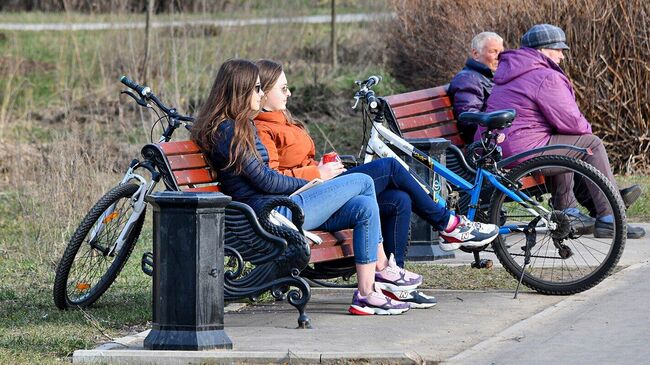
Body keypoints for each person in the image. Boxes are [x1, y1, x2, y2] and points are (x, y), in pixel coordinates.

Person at [252, 59, 500, 307]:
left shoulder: (284, 121)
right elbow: (275, 177)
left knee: (398, 200)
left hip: (321, 191)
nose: (290, 93)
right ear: (264, 94)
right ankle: (447, 223)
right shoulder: (262, 129)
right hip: (307, 200)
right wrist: (317, 171)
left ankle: (392, 284)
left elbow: (298, 163)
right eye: (283, 89)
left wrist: (322, 164)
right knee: (390, 167)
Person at [191, 59, 420, 315]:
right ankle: (382, 270)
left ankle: (366, 293)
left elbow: (266, 177)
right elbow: (265, 180)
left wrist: (311, 184)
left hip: (282, 205)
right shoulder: (228, 131)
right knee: (365, 181)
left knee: (364, 206)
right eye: (256, 88)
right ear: (239, 91)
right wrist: (312, 182)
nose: (260, 93)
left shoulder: (240, 126)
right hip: (271, 215)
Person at [480, 24, 644, 239]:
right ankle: (611, 217)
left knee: (563, 142)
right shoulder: (544, 75)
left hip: (498, 147)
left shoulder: (511, 71)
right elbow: (573, 123)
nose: (562, 56)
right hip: (520, 151)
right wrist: (584, 133)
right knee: (589, 143)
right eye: (558, 49)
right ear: (541, 50)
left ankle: (569, 212)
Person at [448, 32, 504, 144]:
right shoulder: (467, 79)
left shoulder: (490, 76)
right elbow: (468, 117)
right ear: (475, 54)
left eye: (501, 52)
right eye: (493, 51)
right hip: (482, 143)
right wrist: (497, 129)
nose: (499, 57)